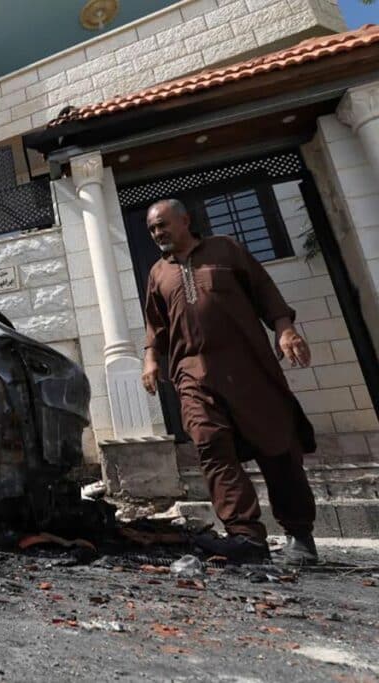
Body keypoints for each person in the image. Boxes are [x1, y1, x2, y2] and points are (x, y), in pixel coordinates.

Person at [141, 198, 318, 565]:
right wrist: (150, 359)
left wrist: (284, 329)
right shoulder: (158, 273)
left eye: (162, 225)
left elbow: (265, 290)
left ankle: (299, 534)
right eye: (152, 229)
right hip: (191, 372)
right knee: (210, 445)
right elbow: (155, 326)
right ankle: (245, 537)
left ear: (185, 219)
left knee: (278, 447)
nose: (157, 233)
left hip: (247, 363)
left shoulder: (225, 249)